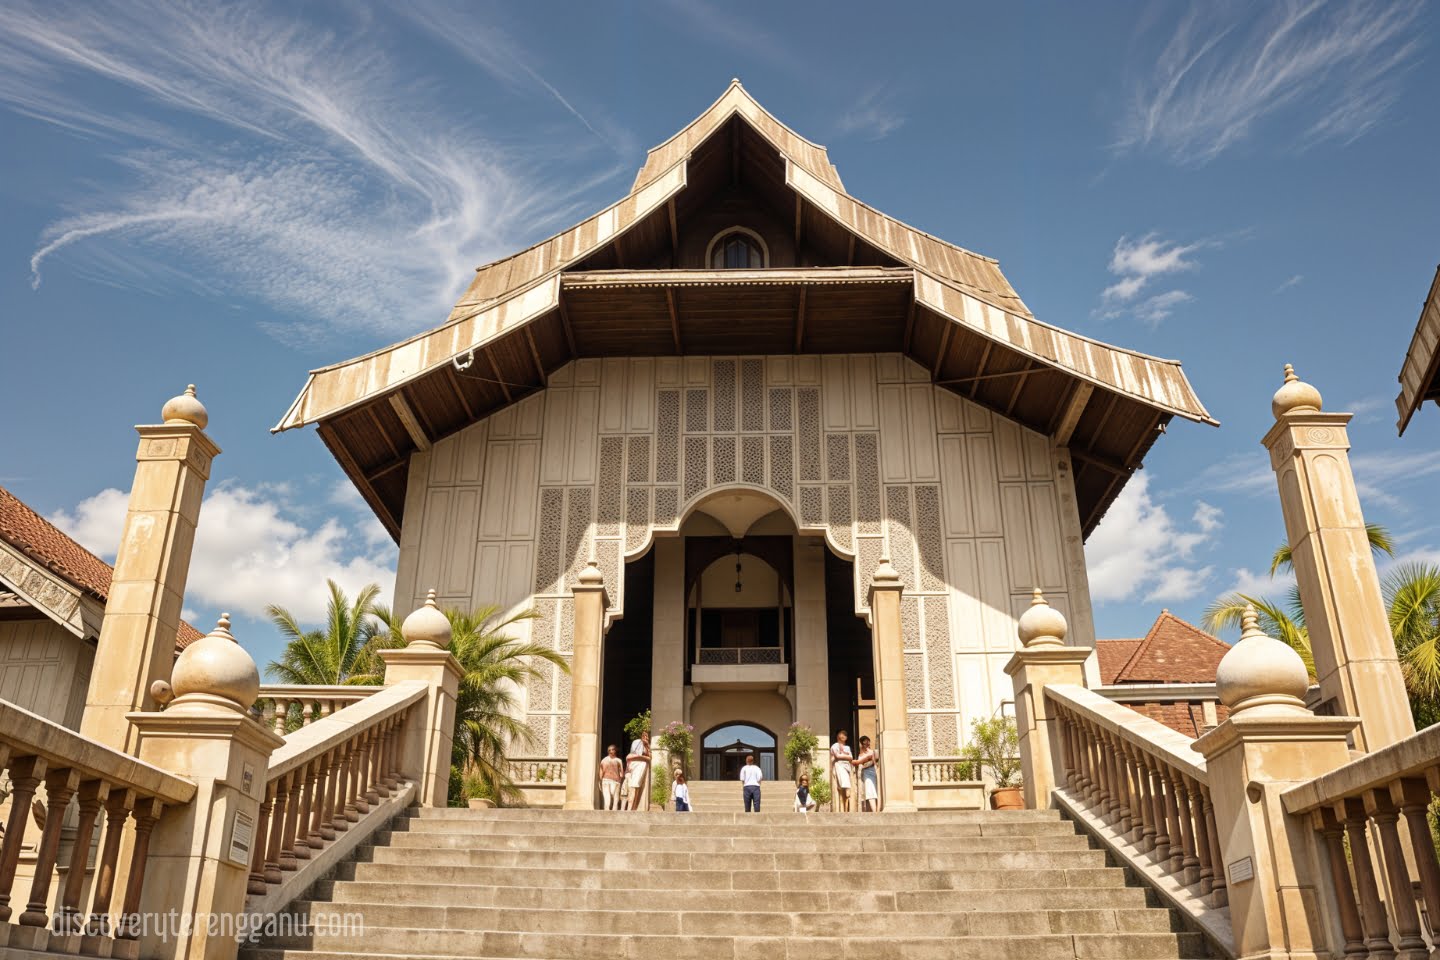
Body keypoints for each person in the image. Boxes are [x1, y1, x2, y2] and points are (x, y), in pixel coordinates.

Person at [625, 730, 651, 811]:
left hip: (642, 766)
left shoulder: (647, 746)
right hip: (636, 765)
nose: (645, 737)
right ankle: (630, 808)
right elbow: (630, 756)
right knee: (634, 785)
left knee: (637, 787)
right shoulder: (636, 742)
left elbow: (649, 757)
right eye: (644, 735)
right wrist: (644, 758)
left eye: (647, 736)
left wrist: (647, 746)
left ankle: (634, 807)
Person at [853, 735, 879, 813]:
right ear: (862, 744)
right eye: (865, 744)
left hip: (873, 772)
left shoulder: (872, 752)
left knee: (873, 791)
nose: (867, 745)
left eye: (868, 743)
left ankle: (874, 810)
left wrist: (868, 758)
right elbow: (858, 763)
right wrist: (864, 760)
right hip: (865, 774)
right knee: (868, 791)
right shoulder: (860, 755)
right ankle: (872, 811)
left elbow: (875, 759)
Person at [830, 730, 853, 812]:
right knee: (842, 786)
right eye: (841, 734)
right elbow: (837, 756)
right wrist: (845, 755)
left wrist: (842, 755)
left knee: (847, 788)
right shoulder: (835, 746)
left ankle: (846, 808)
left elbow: (851, 758)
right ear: (838, 736)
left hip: (847, 767)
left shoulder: (847, 747)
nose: (843, 736)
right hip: (839, 766)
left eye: (845, 735)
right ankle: (841, 808)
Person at [598, 744, 623, 811]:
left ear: (615, 750)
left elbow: (621, 772)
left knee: (615, 796)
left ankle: (614, 809)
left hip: (616, 781)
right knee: (607, 797)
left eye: (612, 749)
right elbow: (601, 771)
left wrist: (620, 780)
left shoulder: (618, 760)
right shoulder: (604, 760)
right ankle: (607, 809)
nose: (611, 751)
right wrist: (600, 780)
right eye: (609, 750)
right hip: (605, 780)